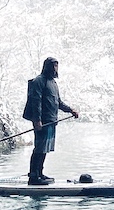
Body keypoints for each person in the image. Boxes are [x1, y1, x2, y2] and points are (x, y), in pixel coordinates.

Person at [22, 57, 79, 185]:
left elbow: (58, 102)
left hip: (51, 121)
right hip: (42, 122)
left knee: (45, 149)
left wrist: (71, 110)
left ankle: (40, 173)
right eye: (53, 66)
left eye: (57, 66)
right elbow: (35, 102)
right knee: (39, 149)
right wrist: (37, 120)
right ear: (47, 67)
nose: (55, 69)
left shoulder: (53, 83)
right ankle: (33, 176)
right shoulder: (39, 81)